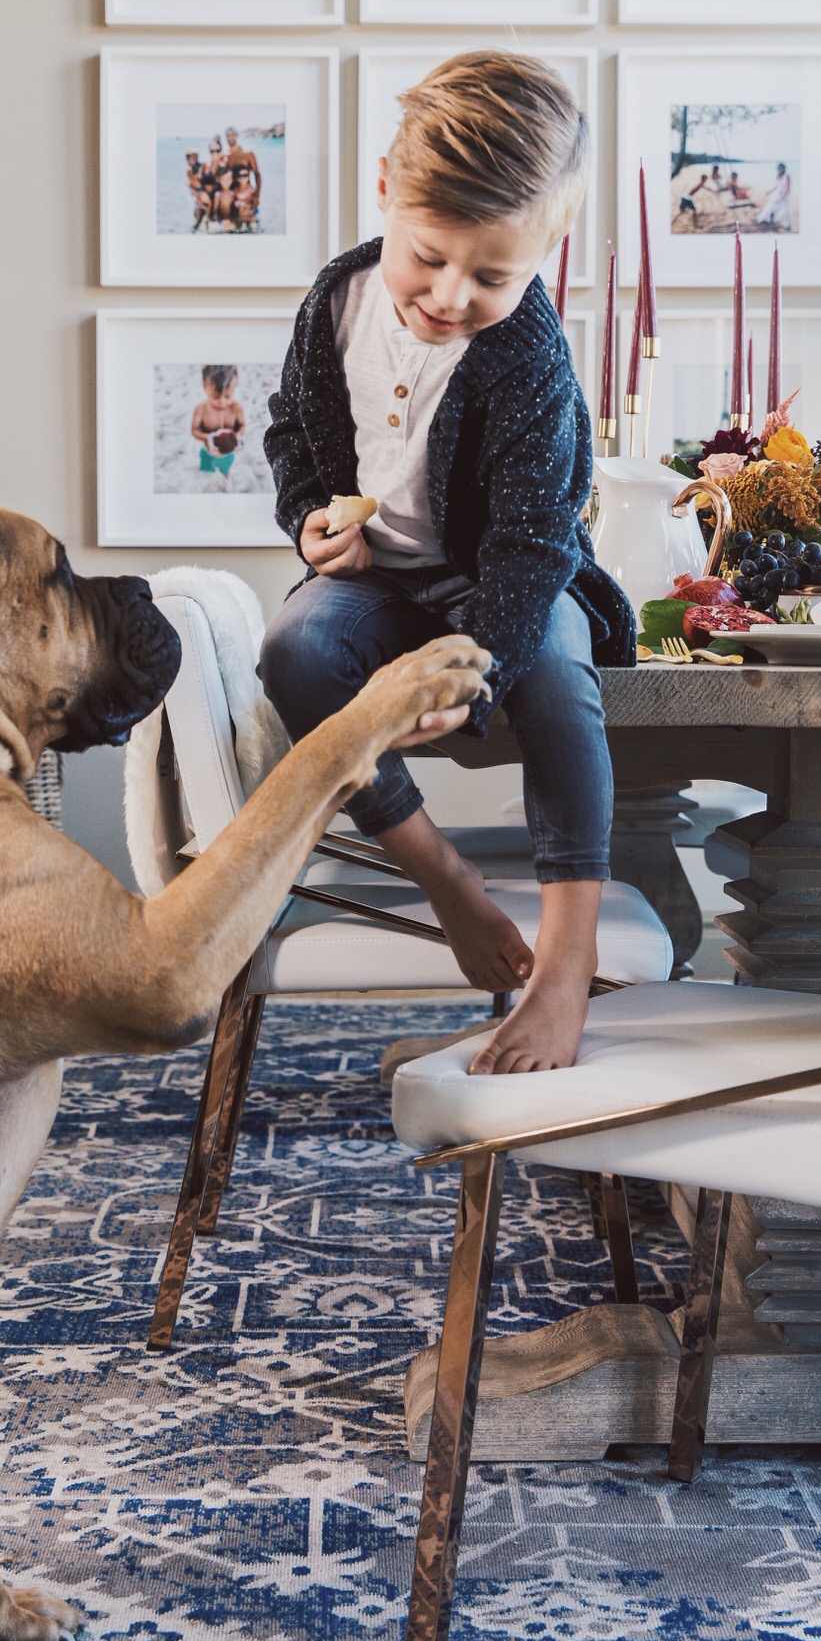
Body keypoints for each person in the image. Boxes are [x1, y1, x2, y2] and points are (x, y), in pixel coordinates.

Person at [261, 52, 638, 1075]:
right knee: (295, 649)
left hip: (505, 586)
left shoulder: (529, 362)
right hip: (380, 580)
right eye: (428, 257)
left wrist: (472, 678)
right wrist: (307, 522)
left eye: (491, 276)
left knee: (560, 683)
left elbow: (531, 546)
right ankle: (444, 881)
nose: (448, 293)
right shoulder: (334, 299)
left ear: (545, 251)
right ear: (386, 189)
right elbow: (291, 428)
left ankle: (563, 970)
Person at [191, 364, 246, 475]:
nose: (222, 402)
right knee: (206, 471)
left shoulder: (236, 408)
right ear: (205, 386)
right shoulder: (201, 409)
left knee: (225, 470)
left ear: (234, 388)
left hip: (228, 453)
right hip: (207, 451)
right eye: (215, 396)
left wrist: (237, 435)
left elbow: (242, 425)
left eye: (228, 396)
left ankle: (224, 475)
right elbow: (194, 430)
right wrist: (208, 437)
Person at [759, 161, 793, 230]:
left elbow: (788, 188)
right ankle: (769, 220)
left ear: (784, 168)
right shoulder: (778, 175)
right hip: (778, 193)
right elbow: (777, 185)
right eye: (778, 168)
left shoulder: (787, 176)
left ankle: (788, 225)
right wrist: (770, 191)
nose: (779, 170)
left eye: (781, 168)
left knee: (786, 210)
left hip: (785, 195)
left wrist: (783, 196)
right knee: (771, 206)